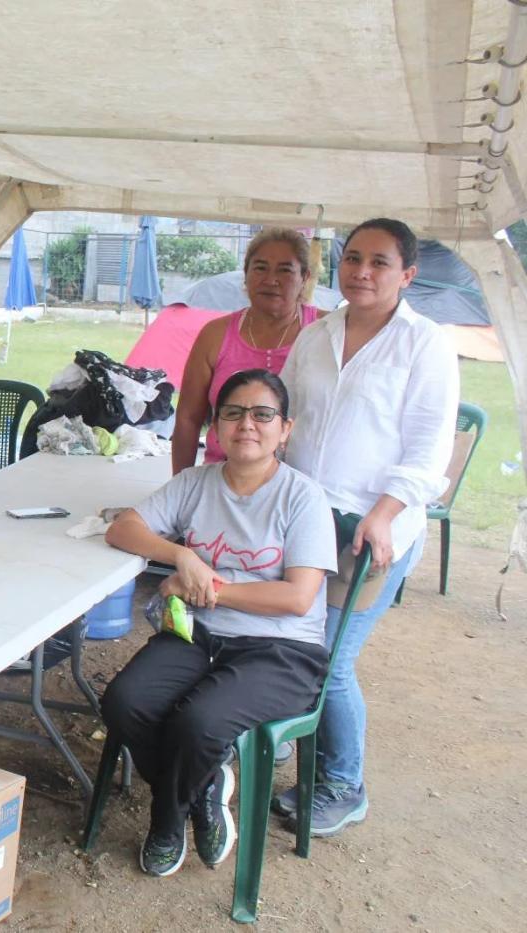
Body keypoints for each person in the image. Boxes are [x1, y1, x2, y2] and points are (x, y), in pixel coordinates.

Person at [101, 369, 339, 877]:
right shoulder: (196, 483)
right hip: (201, 634)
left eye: (262, 414)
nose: (246, 425)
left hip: (282, 650)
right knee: (125, 701)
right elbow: (123, 529)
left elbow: (298, 598)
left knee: (199, 723)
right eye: (232, 413)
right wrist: (181, 556)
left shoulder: (303, 497)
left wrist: (208, 588)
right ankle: (206, 785)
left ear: (285, 429)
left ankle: (167, 821)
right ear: (215, 426)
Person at [273, 218, 458, 836]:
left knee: (330, 658)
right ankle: (293, 743)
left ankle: (343, 785)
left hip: (375, 530)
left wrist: (384, 513)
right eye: (353, 258)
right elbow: (286, 419)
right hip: (305, 520)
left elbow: (429, 450)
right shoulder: (316, 334)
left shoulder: (425, 344)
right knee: (292, 640)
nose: (362, 271)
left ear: (408, 275)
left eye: (380, 262)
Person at [171, 227, 320, 472]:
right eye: (260, 268)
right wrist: (181, 484)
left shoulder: (324, 331)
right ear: (246, 274)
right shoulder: (215, 335)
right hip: (223, 478)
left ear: (305, 277)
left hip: (301, 480)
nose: (271, 280)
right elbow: (188, 418)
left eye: (285, 270)